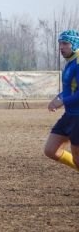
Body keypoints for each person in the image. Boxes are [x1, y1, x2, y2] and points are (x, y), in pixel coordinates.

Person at [44, 30, 79, 171]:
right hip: (69, 116)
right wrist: (58, 97)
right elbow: (72, 88)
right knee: (51, 150)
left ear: (75, 44)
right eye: (60, 43)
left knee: (77, 156)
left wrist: (63, 101)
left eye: (65, 43)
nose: (61, 47)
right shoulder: (70, 62)